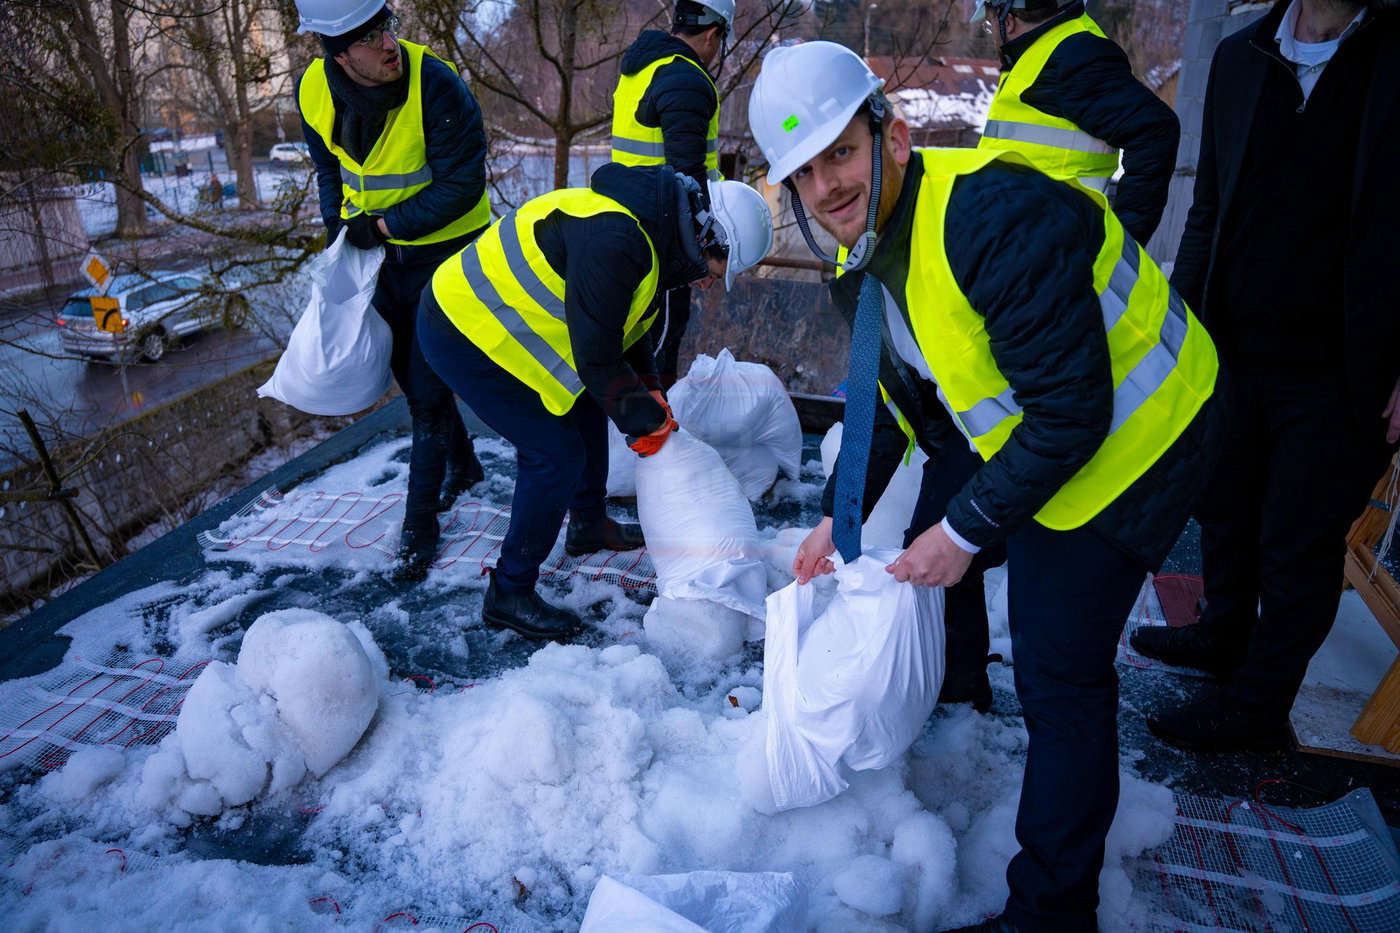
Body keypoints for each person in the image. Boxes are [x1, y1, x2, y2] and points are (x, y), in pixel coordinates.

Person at [749, 42, 1221, 932]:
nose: (826, 188)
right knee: (935, 526)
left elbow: (1075, 414)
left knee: (1060, 672)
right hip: (1051, 431)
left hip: (1146, 434)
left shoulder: (988, 217)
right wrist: (831, 519)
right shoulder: (873, 265)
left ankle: (1051, 911)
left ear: (888, 135)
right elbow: (889, 407)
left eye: (840, 153)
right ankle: (959, 691)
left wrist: (966, 531)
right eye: (804, 173)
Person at [1130, 0, 1400, 752]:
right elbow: (1209, 203)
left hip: (1346, 364)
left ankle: (1256, 703)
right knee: (1228, 503)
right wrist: (1180, 329)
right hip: (1236, 344)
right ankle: (1221, 632)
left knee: (1296, 541)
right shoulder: (1241, 54)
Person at [417, 164, 772, 641]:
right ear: (707, 237)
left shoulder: (654, 238)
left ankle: (586, 524)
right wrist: (648, 425)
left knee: (587, 405)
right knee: (554, 452)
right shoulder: (616, 240)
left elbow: (628, 332)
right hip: (464, 328)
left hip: (507, 324)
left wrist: (651, 396)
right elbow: (599, 361)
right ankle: (509, 592)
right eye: (714, 272)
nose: (708, 284)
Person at [293, 0, 491, 581]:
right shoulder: (312, 90)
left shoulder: (436, 84)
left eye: (390, 25)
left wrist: (379, 226)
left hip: (446, 256)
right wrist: (341, 235)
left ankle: (419, 526)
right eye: (372, 36)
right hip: (379, 261)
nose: (389, 44)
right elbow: (329, 171)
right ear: (337, 52)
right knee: (410, 377)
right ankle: (466, 467)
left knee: (428, 390)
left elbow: (461, 186)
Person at [971, 0, 1180, 245]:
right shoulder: (1042, 51)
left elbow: (1155, 130)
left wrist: (1122, 244)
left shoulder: (1076, 56)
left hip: (1057, 254)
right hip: (1024, 245)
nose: (992, 33)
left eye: (989, 24)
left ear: (1008, 21)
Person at [612, 0, 734, 389]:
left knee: (635, 340)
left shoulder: (643, 69)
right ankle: (654, 432)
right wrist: (702, 253)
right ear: (714, 33)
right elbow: (689, 178)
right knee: (659, 342)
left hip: (626, 222)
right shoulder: (686, 80)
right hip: (662, 237)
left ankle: (635, 431)